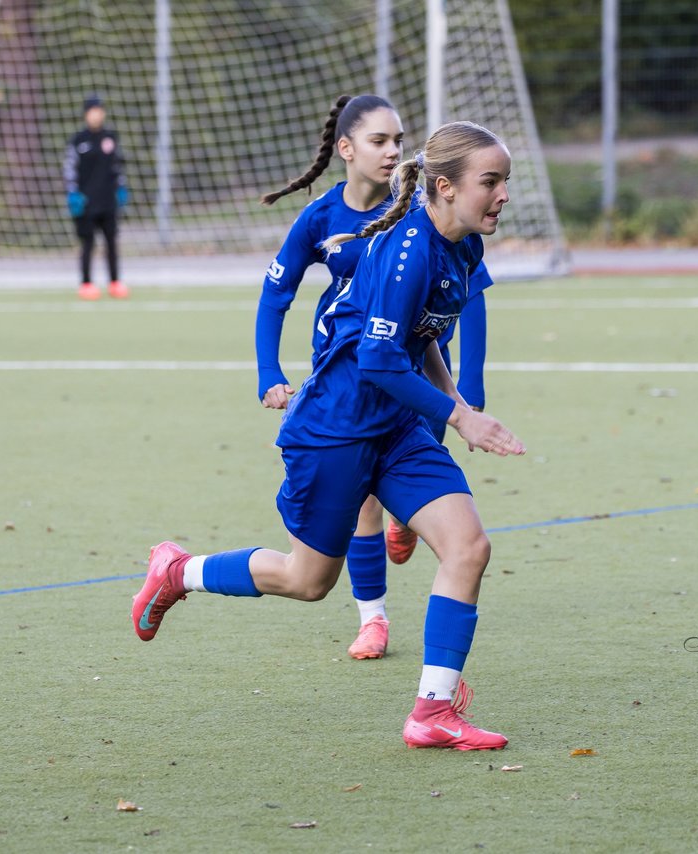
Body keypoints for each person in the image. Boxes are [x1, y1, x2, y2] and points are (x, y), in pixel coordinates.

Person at [133, 121, 523, 750]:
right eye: (491, 181)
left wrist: (453, 399)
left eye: (505, 180)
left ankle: (432, 712)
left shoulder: (464, 246)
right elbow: (378, 361)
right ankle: (180, 570)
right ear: (447, 187)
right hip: (334, 431)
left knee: (468, 547)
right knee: (308, 581)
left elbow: (420, 338)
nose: (503, 194)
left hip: (395, 429)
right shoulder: (408, 252)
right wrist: (461, 417)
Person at [256, 95, 494, 660]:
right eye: (379, 140)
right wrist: (269, 372)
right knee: (356, 508)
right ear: (346, 149)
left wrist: (467, 391)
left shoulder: (426, 210)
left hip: (419, 381)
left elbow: (469, 299)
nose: (392, 151)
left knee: (441, 515)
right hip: (353, 380)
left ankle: (407, 518)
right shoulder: (324, 219)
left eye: (398, 141)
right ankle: (373, 618)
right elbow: (276, 294)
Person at [63, 95, 130, 300]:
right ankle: (86, 283)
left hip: (108, 200)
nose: (96, 115)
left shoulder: (110, 137)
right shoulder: (78, 140)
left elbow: (118, 166)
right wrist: (72, 193)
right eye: (92, 111)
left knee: (111, 243)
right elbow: (70, 169)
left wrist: (121, 188)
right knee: (87, 244)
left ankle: (115, 282)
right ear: (86, 114)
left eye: (99, 110)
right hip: (86, 202)